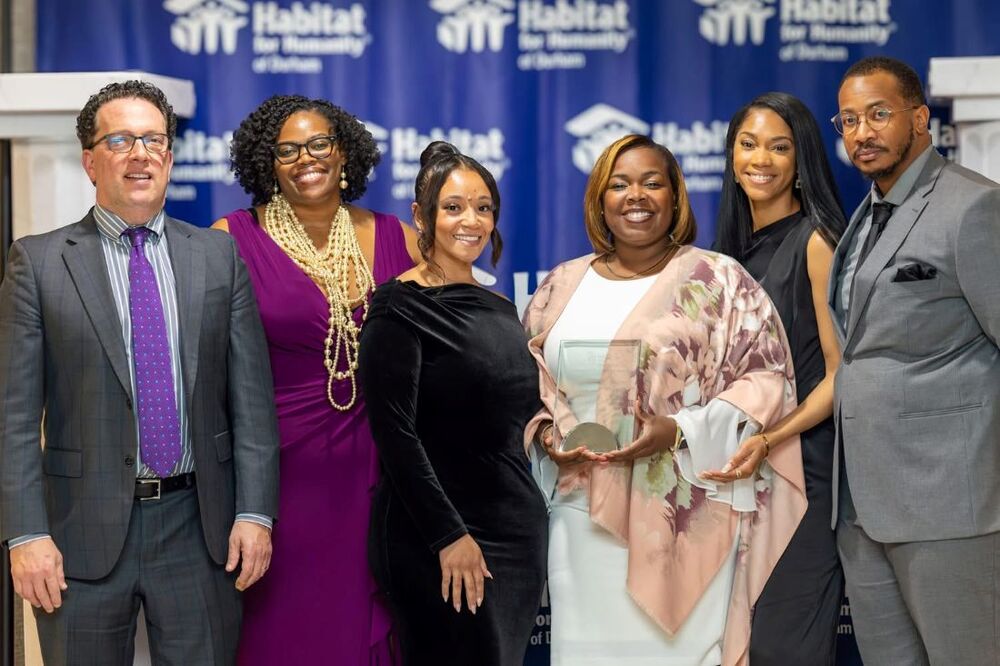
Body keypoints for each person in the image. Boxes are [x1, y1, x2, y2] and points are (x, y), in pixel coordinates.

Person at [0, 80, 279, 664]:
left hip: (201, 532)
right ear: (90, 161)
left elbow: (251, 403)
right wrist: (25, 534)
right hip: (78, 538)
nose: (140, 153)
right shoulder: (40, 262)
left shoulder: (217, 257)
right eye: (121, 139)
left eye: (154, 139)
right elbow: (15, 417)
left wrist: (255, 513)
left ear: (171, 158)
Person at [523, 133, 807, 666]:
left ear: (675, 197)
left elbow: (767, 381)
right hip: (579, 515)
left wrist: (677, 430)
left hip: (680, 517)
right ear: (599, 200)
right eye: (621, 184)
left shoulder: (719, 280)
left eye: (653, 183)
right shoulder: (560, 285)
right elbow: (529, 387)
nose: (637, 195)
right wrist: (546, 437)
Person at [212, 94, 419, 665]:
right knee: (284, 627)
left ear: (344, 150)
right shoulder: (231, 237)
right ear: (266, 163)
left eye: (319, 143)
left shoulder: (398, 236)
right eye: (287, 150)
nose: (307, 158)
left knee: (367, 612)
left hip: (378, 464)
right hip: (280, 471)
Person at [829, 56, 1000, 666]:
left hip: (951, 503)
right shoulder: (867, 213)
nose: (862, 133)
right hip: (863, 506)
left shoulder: (973, 208)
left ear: (920, 118)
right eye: (848, 120)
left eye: (879, 114)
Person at [358, 141, 547, 666]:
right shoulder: (399, 306)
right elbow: (395, 435)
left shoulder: (501, 307)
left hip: (515, 536)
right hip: (438, 539)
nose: (472, 220)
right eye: (454, 206)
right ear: (421, 215)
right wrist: (449, 536)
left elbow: (511, 418)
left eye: (484, 207)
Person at [713, 92, 847, 665]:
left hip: (806, 479)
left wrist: (771, 438)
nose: (759, 159)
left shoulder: (817, 241)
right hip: (738, 483)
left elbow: (844, 377)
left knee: (781, 650)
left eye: (778, 146)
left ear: (801, 159)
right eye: (748, 144)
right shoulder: (726, 255)